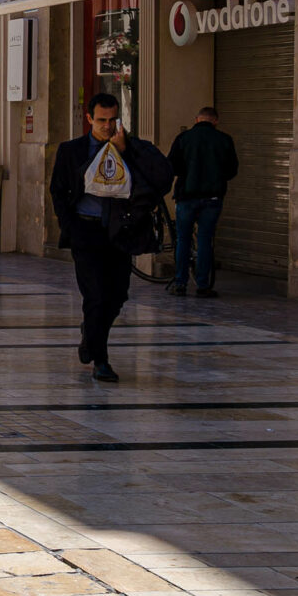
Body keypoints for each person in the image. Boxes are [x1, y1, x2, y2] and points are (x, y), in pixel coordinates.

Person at [49, 93, 174, 384]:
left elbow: (161, 176)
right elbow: (58, 190)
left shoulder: (132, 147)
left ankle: (90, 336)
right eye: (102, 120)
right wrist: (69, 225)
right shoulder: (72, 150)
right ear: (90, 118)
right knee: (96, 295)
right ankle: (101, 359)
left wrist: (126, 150)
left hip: (119, 232)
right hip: (86, 231)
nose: (107, 126)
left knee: (117, 296)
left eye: (112, 120)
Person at [168, 106, 240, 298]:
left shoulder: (183, 138)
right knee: (205, 240)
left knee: (183, 240)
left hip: (186, 197)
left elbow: (172, 166)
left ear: (196, 119)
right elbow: (232, 170)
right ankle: (203, 285)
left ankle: (181, 283)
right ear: (215, 121)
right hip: (212, 197)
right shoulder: (224, 140)